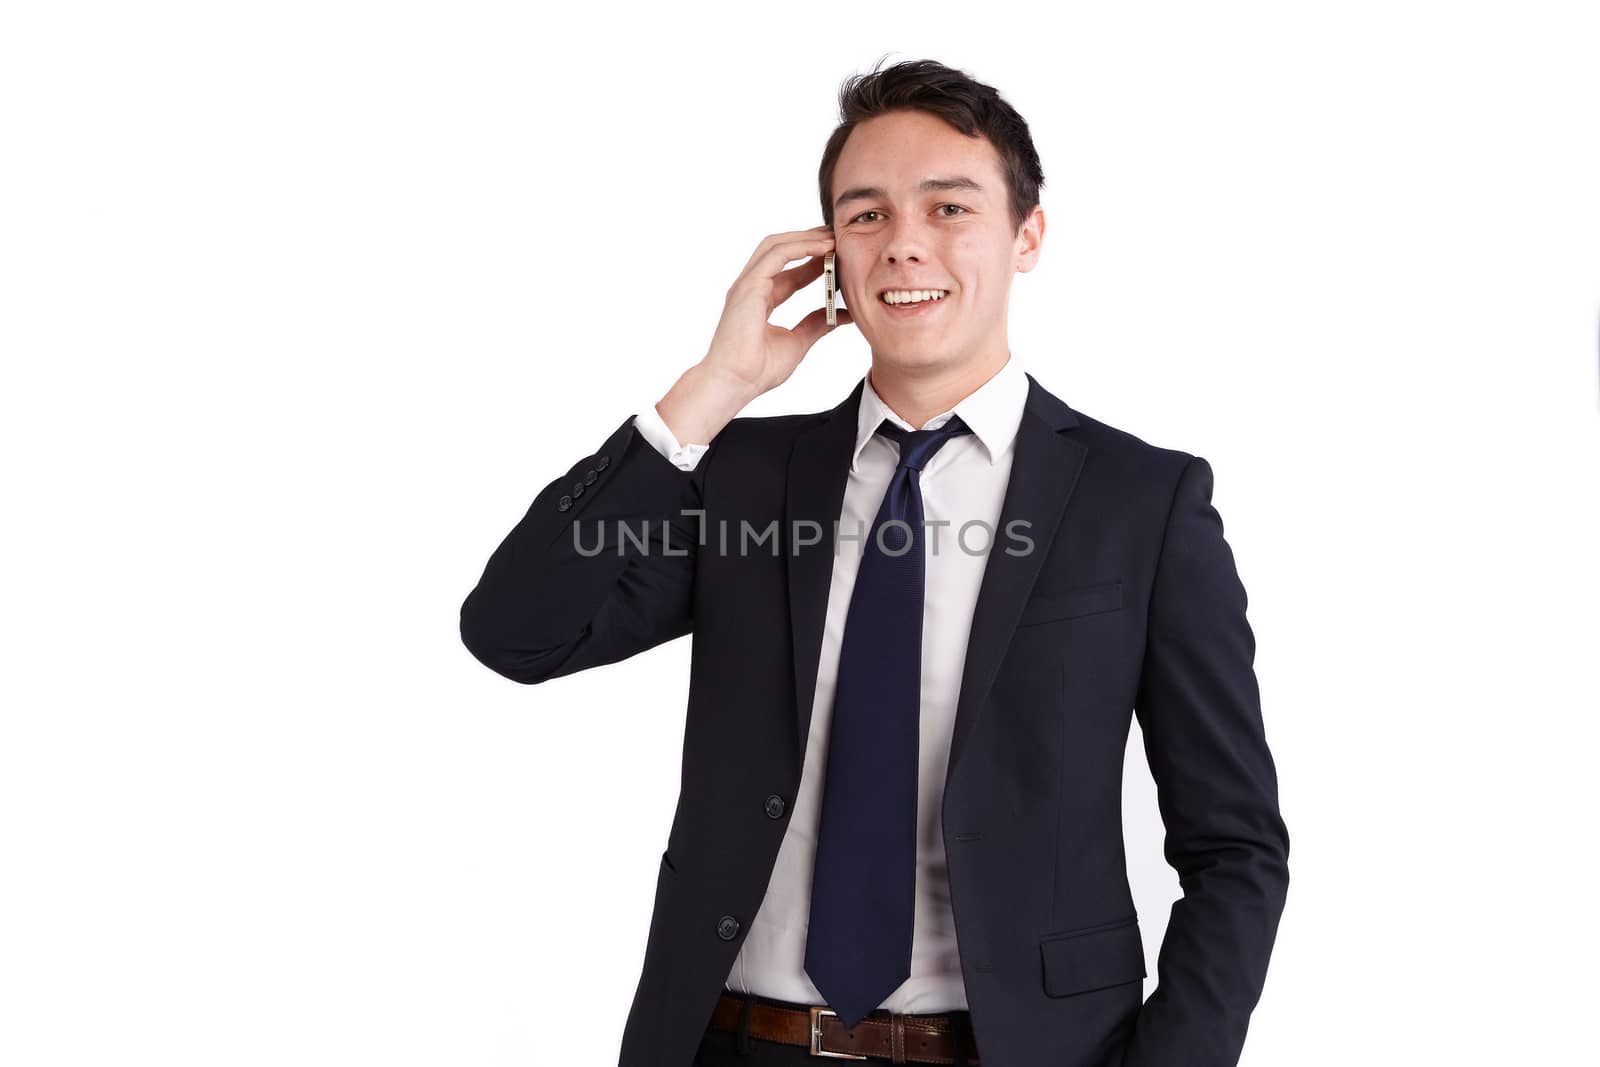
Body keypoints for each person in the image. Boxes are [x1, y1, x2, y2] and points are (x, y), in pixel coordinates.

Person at [460, 56, 1289, 1067]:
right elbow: (516, 630)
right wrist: (711, 390)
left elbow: (1234, 846)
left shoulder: (1141, 501)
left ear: (1026, 234)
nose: (903, 244)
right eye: (865, 215)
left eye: (948, 208)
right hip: (735, 1042)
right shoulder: (749, 476)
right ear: (830, 255)